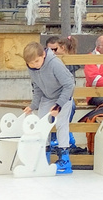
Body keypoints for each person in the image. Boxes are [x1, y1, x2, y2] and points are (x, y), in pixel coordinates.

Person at [22, 41, 77, 173]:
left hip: (63, 97)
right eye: (31, 63)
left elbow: (69, 85)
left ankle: (64, 159)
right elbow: (37, 87)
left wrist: (59, 105)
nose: (34, 65)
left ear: (43, 55)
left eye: (36, 61)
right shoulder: (33, 68)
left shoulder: (54, 64)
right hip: (47, 97)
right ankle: (42, 156)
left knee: (61, 125)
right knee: (41, 125)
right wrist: (33, 105)